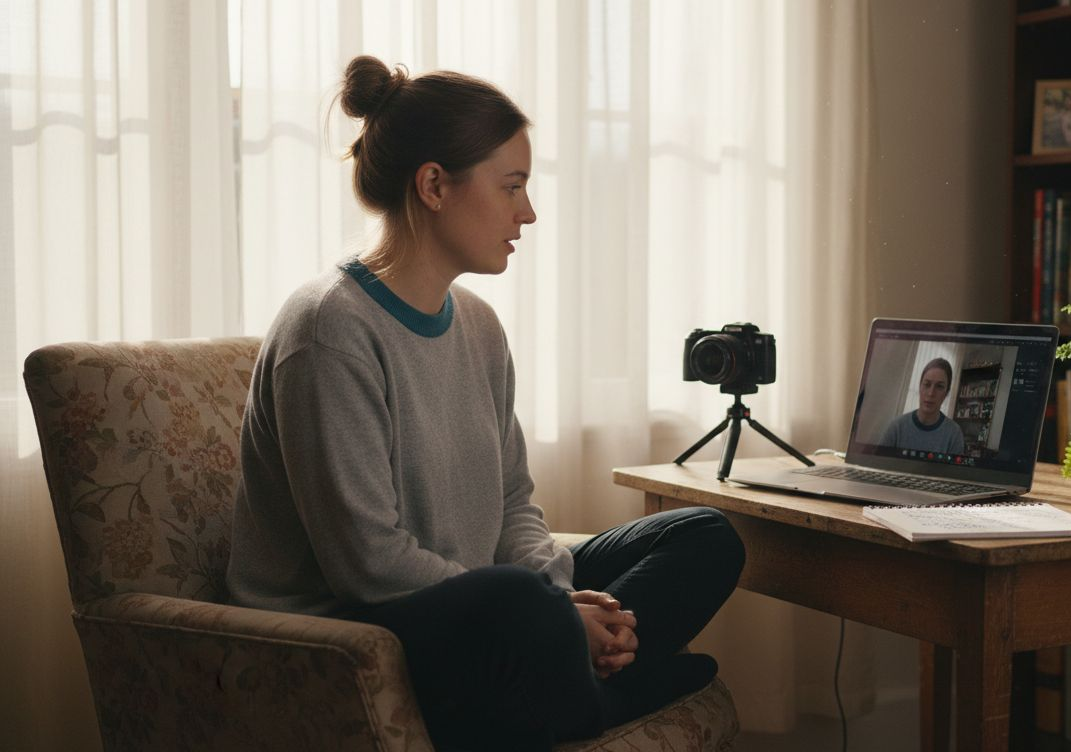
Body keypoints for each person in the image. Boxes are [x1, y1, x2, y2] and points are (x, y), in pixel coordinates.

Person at [225, 56, 745, 751]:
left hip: (485, 606)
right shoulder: (330, 330)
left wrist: (559, 600)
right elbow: (368, 563)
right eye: (512, 187)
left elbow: (511, 501)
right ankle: (599, 698)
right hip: (360, 625)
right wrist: (552, 611)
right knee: (518, 602)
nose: (527, 213)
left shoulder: (477, 324)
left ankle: (580, 677)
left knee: (705, 536)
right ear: (434, 185)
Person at [878, 357, 965, 455]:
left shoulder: (954, 434)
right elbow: (878, 462)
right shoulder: (896, 427)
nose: (931, 393)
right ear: (920, 387)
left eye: (939, 386)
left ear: (946, 393)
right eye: (927, 384)